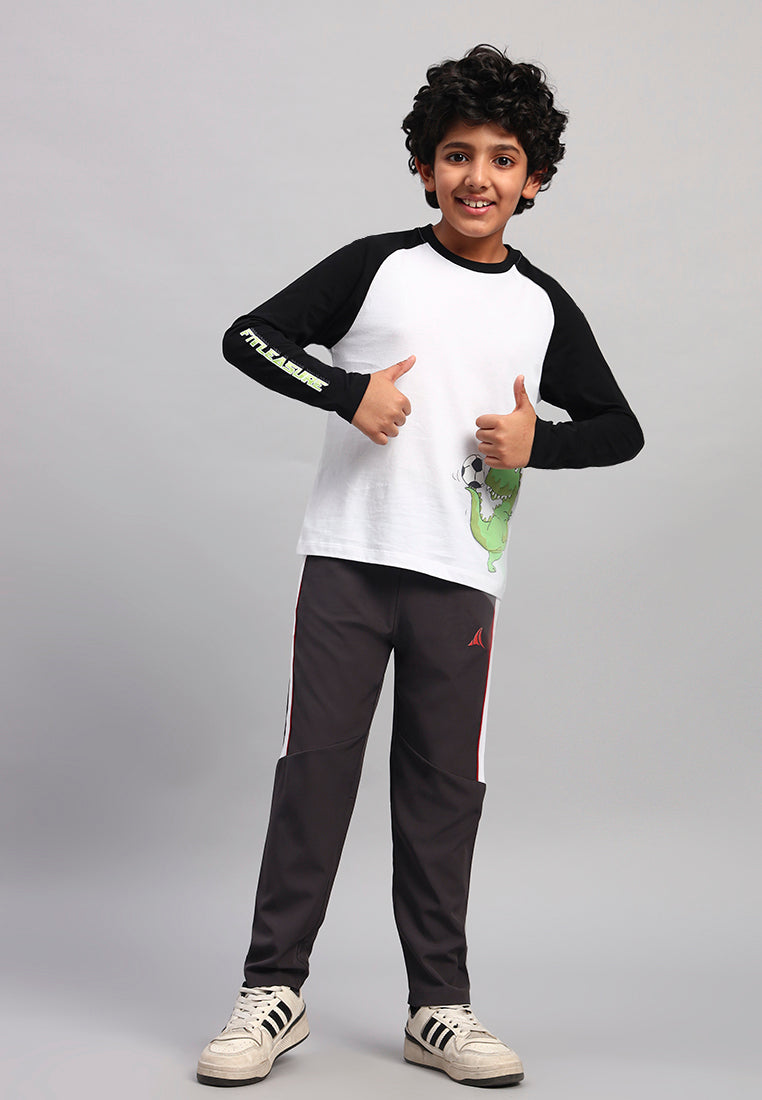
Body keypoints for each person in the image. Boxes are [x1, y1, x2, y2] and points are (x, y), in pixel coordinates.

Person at [197, 44, 644, 1090]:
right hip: (349, 563)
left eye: (502, 159)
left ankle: (437, 1005)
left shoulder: (541, 306)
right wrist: (343, 389)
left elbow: (620, 428)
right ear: (424, 168)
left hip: (461, 579)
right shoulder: (378, 266)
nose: (477, 177)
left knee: (444, 788)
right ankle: (273, 989)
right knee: (315, 773)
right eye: (456, 155)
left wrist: (540, 444)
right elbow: (249, 337)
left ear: (534, 180)